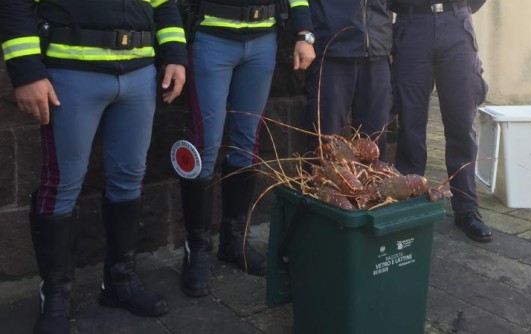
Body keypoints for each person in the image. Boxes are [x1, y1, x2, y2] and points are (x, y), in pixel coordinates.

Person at [0, 0, 187, 332]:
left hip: (139, 72)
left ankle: (120, 280)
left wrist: (174, 54)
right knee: (62, 183)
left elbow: (165, 3)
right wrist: (26, 70)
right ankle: (55, 295)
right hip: (71, 71)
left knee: (130, 178)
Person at [177, 0, 315, 298]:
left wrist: (304, 33)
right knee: (205, 147)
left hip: (262, 39)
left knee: (247, 143)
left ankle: (233, 239)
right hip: (212, 35)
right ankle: (197, 249)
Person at [390, 0, 493, 242]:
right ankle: (410, 202)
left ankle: (466, 208)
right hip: (412, 24)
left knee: (461, 123)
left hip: (456, 24)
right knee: (410, 122)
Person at [302, 0, 393, 160]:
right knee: (325, 143)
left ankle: (374, 185)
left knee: (375, 144)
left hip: (377, 48)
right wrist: (303, 34)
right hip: (332, 49)